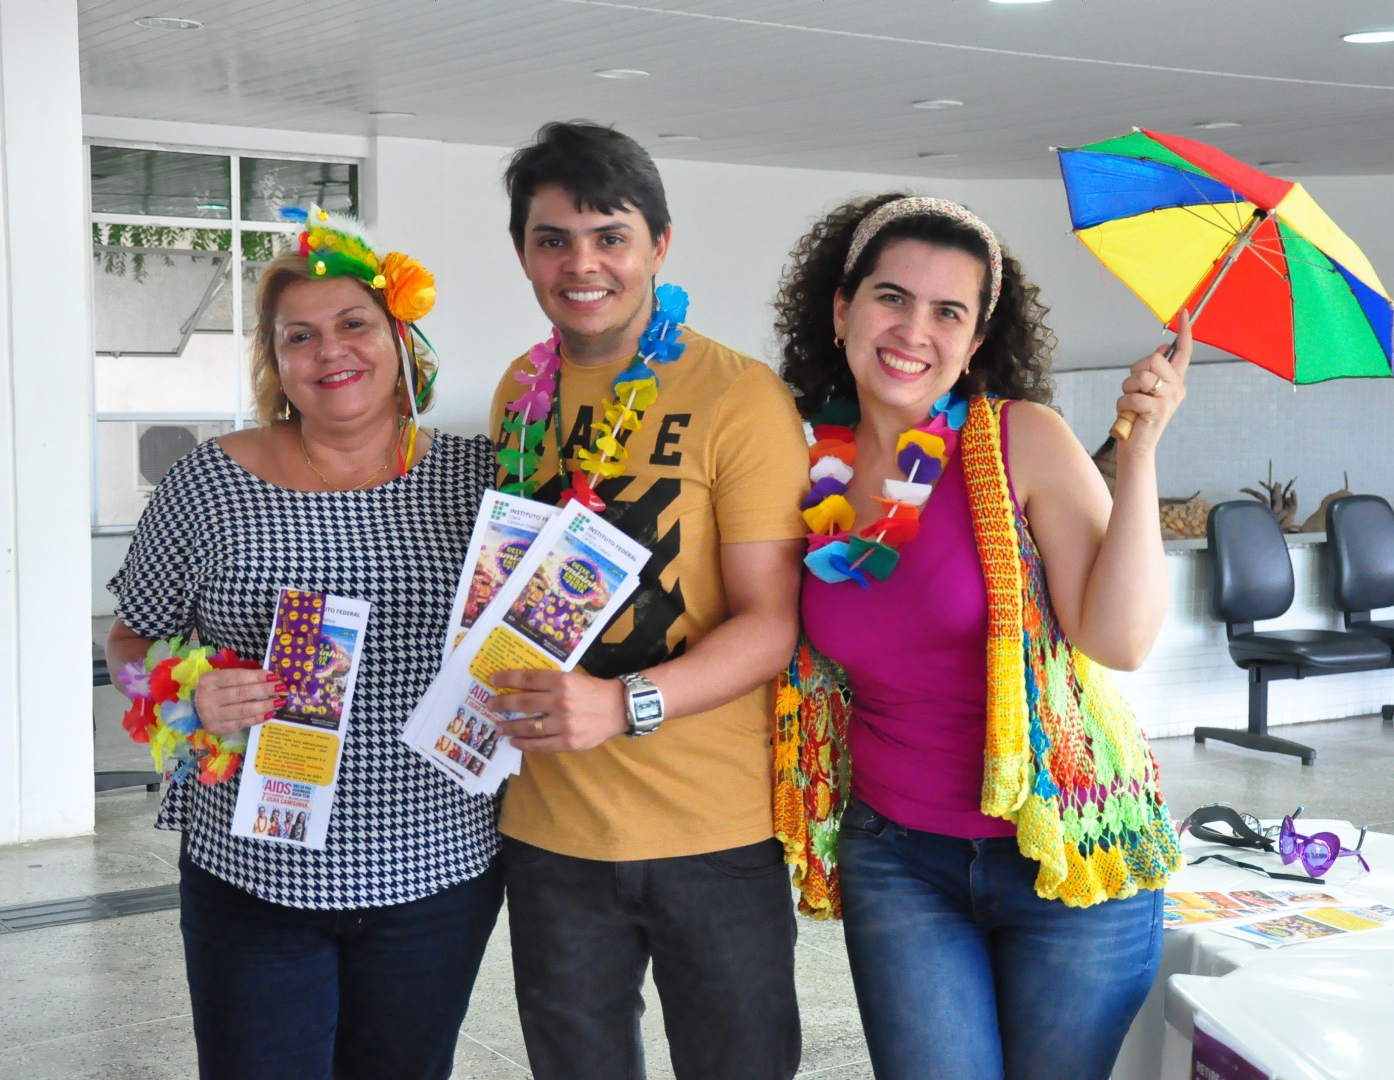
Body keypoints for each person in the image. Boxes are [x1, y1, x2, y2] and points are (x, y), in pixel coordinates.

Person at [771, 193, 1188, 1080]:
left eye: (947, 311)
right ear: (843, 310)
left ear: (975, 336)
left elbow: (1118, 641)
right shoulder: (808, 462)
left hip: (1064, 847)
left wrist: (1142, 451)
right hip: (898, 858)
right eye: (891, 297)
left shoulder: (1017, 441)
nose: (913, 329)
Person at [105, 210, 502, 1080]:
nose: (332, 353)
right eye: (301, 336)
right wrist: (180, 690)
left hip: (434, 871)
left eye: (354, 324)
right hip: (253, 876)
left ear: (400, 338)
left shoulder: (482, 478)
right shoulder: (209, 481)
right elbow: (128, 640)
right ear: (277, 362)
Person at [484, 120, 810, 1080]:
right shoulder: (520, 392)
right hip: (549, 833)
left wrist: (622, 704)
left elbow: (771, 623)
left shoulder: (739, 397)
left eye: (609, 236)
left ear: (658, 245)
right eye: (553, 240)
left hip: (713, 830)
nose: (582, 265)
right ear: (523, 254)